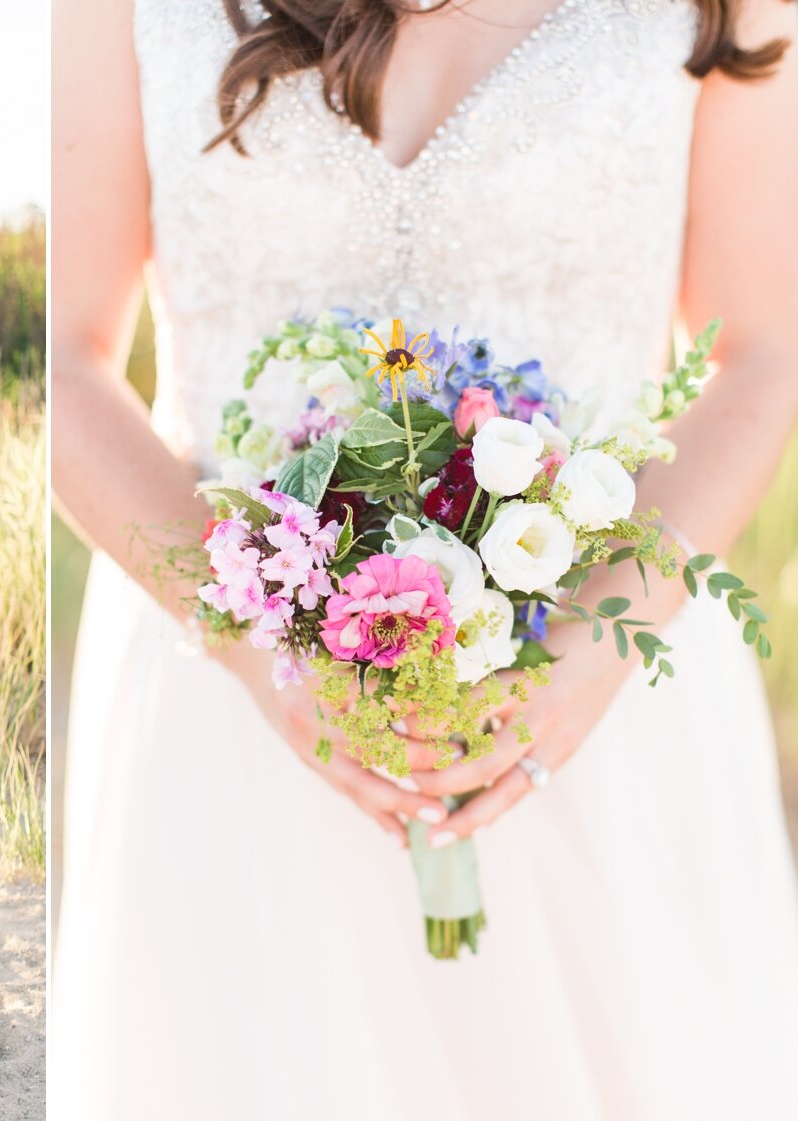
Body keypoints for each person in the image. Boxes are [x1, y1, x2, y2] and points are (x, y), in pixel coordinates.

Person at [49, 0, 798, 1116]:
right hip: (229, 704)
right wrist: (260, 647)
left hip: (598, 700)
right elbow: (61, 359)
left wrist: (591, 646)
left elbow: (763, 348)